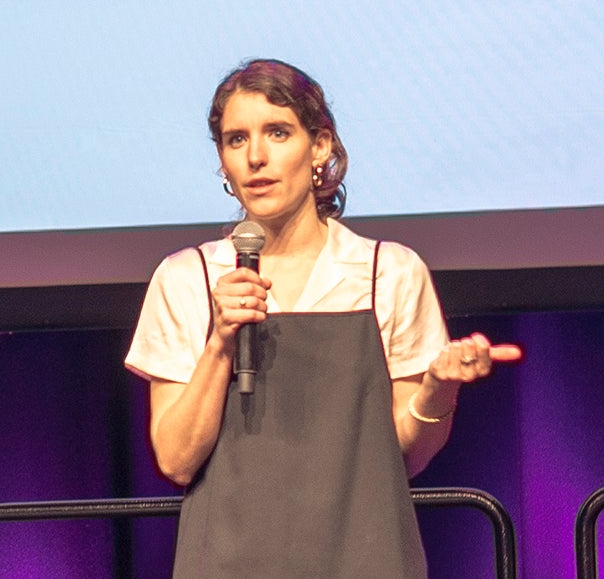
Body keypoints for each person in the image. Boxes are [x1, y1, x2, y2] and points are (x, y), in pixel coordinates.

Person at [124, 59, 522, 579]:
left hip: (365, 559)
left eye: (278, 133)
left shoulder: (388, 272)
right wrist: (221, 343)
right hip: (227, 561)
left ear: (320, 146)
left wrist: (437, 391)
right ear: (222, 161)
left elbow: (404, 456)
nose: (257, 158)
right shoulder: (188, 278)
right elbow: (175, 459)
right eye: (236, 140)